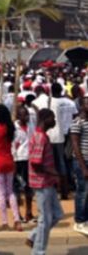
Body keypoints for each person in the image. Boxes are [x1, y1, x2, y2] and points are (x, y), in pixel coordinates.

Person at [26, 108, 63, 254]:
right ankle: (38, 251)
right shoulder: (40, 137)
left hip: (47, 182)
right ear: (46, 119)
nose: (54, 121)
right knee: (45, 219)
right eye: (52, 118)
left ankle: (34, 236)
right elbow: (36, 162)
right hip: (41, 183)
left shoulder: (41, 135)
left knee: (57, 214)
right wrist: (53, 172)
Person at [48, 82, 77, 199]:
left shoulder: (52, 103)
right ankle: (69, 184)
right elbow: (75, 117)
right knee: (68, 159)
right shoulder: (70, 102)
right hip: (70, 133)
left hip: (57, 135)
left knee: (58, 161)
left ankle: (60, 187)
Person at [13, 105, 34, 223]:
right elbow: (13, 145)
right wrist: (14, 160)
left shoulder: (31, 125)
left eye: (27, 114)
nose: (26, 117)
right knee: (17, 188)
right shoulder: (15, 128)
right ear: (18, 116)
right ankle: (18, 214)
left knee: (28, 188)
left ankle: (29, 212)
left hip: (29, 159)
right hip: (18, 160)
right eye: (23, 114)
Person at [70, 95, 88, 235]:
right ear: (82, 106)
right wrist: (83, 167)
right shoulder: (77, 122)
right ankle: (79, 221)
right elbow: (75, 145)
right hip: (82, 161)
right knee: (82, 191)